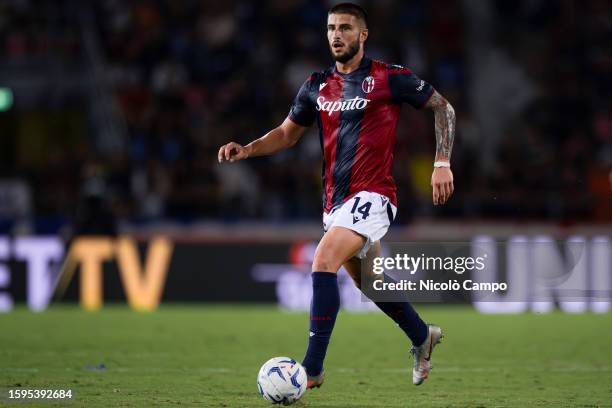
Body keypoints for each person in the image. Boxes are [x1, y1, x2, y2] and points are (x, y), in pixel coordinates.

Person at [218, 2, 455, 388]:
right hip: (335, 203)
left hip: (375, 195)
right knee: (370, 283)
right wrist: (247, 149)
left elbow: (443, 108)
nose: (336, 35)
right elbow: (286, 133)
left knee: (323, 259)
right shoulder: (316, 85)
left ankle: (311, 369)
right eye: (331, 28)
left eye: (345, 28)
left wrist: (441, 161)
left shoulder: (388, 78)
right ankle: (421, 336)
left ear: (362, 35)